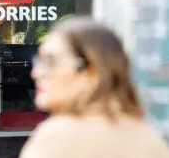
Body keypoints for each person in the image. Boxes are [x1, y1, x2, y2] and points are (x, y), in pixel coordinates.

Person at [19, 17, 169, 158]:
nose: (36, 73)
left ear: (92, 72)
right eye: (40, 61)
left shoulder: (59, 137)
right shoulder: (149, 137)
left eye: (51, 62)